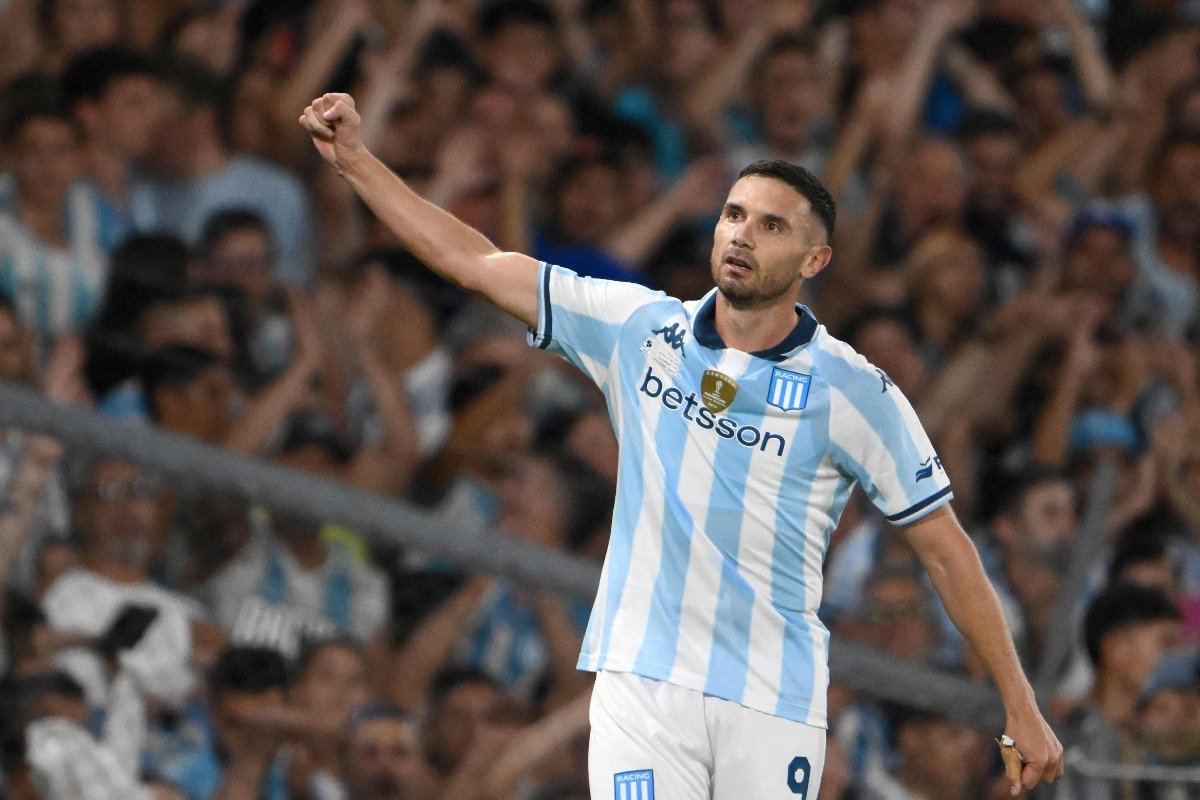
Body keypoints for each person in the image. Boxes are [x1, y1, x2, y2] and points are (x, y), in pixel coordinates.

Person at [300, 91, 1062, 799]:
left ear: (814, 260)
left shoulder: (854, 392)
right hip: (642, 682)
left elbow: (945, 548)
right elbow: (475, 260)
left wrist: (1019, 703)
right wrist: (361, 163)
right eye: (734, 215)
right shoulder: (639, 328)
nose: (741, 235)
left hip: (772, 696)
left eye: (772, 227)